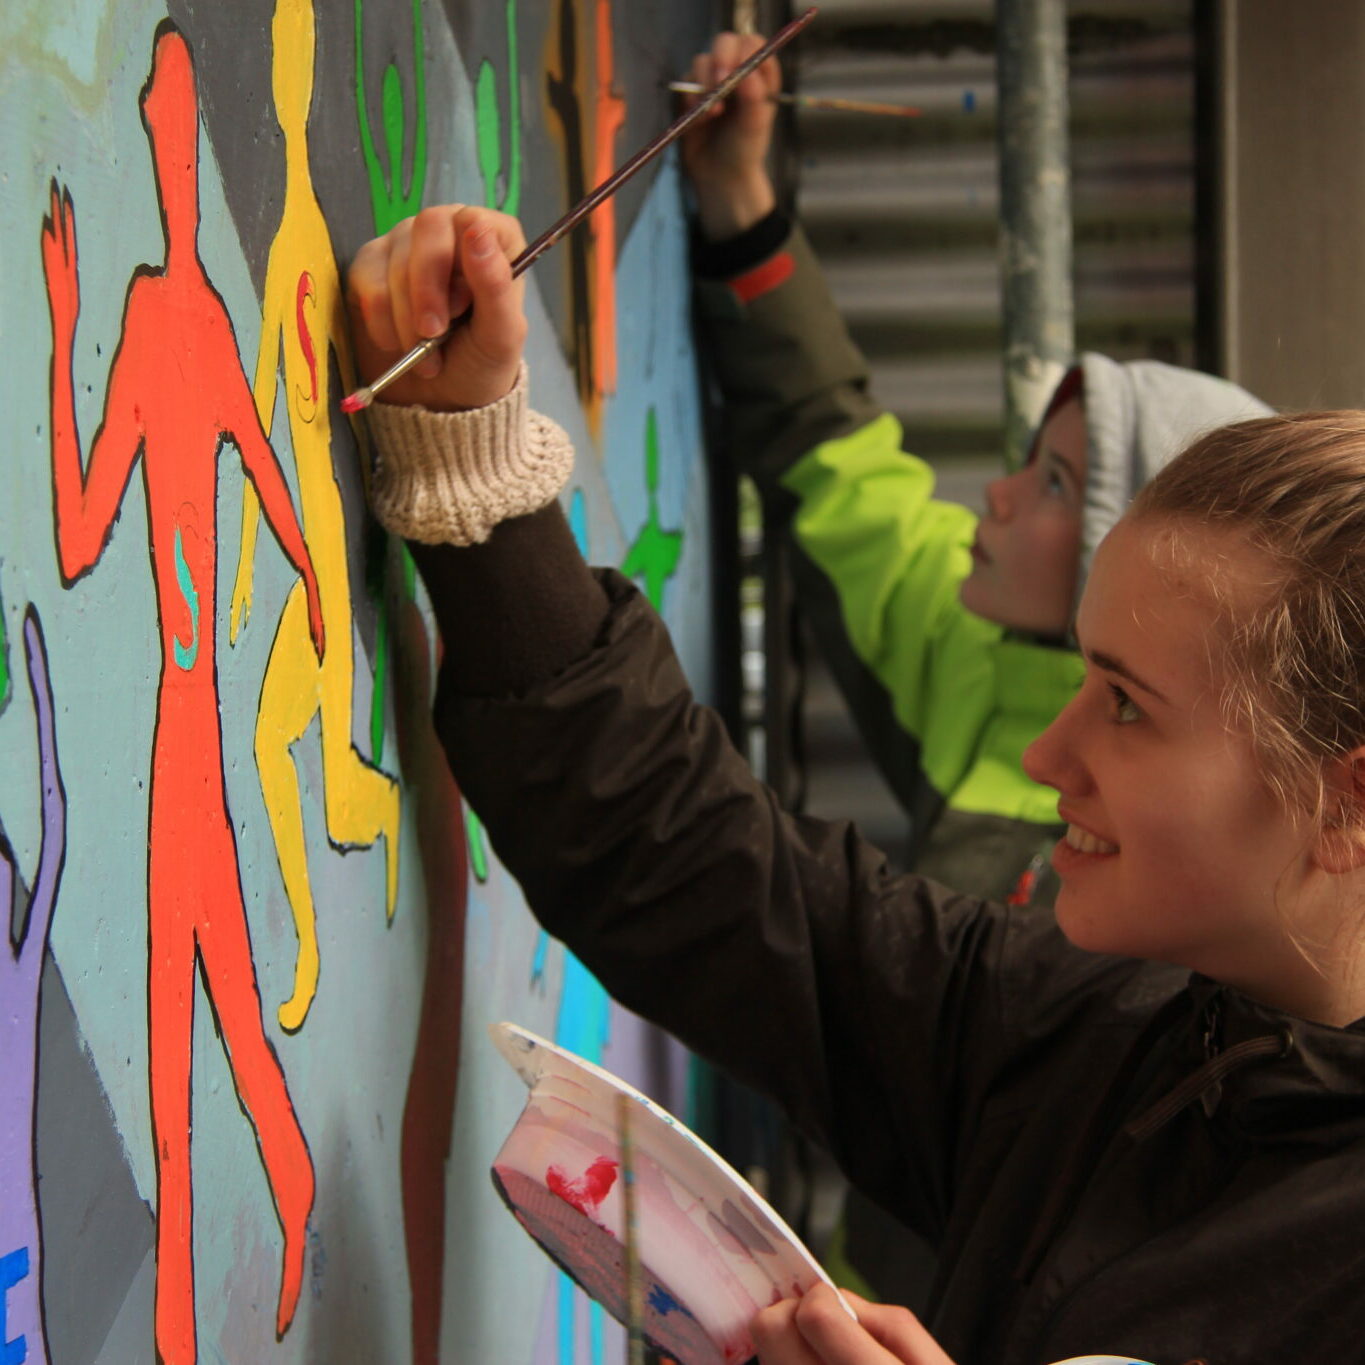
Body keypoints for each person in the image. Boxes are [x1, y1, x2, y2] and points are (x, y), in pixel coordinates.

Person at [346, 202, 1365, 1365]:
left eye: (1129, 705)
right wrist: (469, 449)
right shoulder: (1099, 1034)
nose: (1046, 759)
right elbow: (706, 874)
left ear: (1344, 803)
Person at [679, 31, 1272, 908]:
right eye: (1032, 464)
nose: (998, 492)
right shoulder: (975, 644)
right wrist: (739, 196)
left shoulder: (1163, 882)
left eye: (1056, 484)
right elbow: (833, 455)